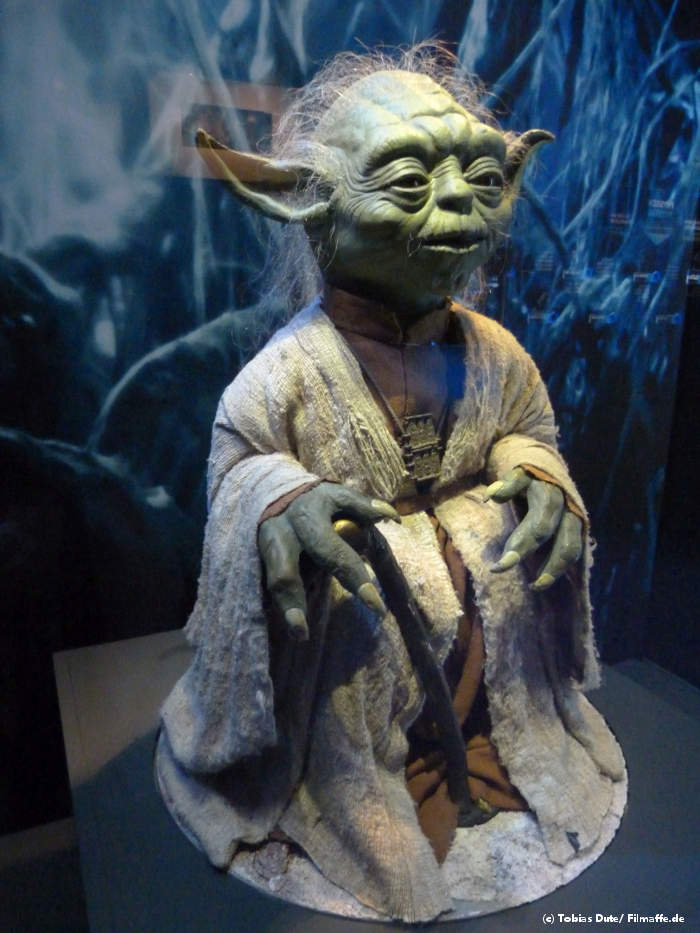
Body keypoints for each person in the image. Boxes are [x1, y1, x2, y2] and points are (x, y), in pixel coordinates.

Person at [157, 47, 625, 923]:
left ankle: (485, 743)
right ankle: (357, 784)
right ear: (308, 198)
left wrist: (535, 471)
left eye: (480, 179)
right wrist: (283, 500)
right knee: (347, 647)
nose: (458, 204)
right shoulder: (290, 371)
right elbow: (241, 460)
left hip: (479, 631)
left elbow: (527, 424)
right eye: (409, 180)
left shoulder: (493, 350)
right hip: (351, 646)